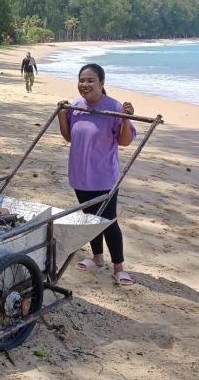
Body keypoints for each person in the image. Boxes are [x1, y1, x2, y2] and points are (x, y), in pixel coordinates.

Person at [57, 63, 136, 286]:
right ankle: (98, 258)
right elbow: (69, 137)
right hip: (80, 175)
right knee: (90, 219)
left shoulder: (114, 107)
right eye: (82, 80)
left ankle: (119, 267)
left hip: (103, 176)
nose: (85, 84)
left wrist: (125, 118)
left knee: (108, 221)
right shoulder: (76, 106)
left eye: (90, 80)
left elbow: (125, 141)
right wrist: (63, 114)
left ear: (101, 83)